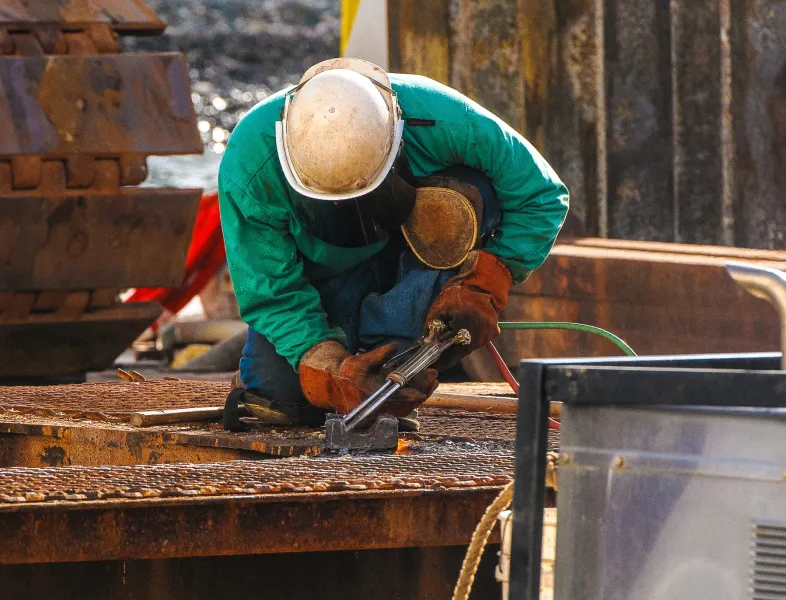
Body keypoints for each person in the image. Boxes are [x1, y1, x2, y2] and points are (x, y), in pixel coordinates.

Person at [217, 57, 569, 429]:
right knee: (281, 395)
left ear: (396, 142)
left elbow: (541, 194)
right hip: (321, 276)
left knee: (473, 189)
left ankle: (395, 346)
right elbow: (271, 292)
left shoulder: (441, 117)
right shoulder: (251, 165)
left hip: (414, 251)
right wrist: (329, 367)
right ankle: (356, 362)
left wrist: (485, 282)